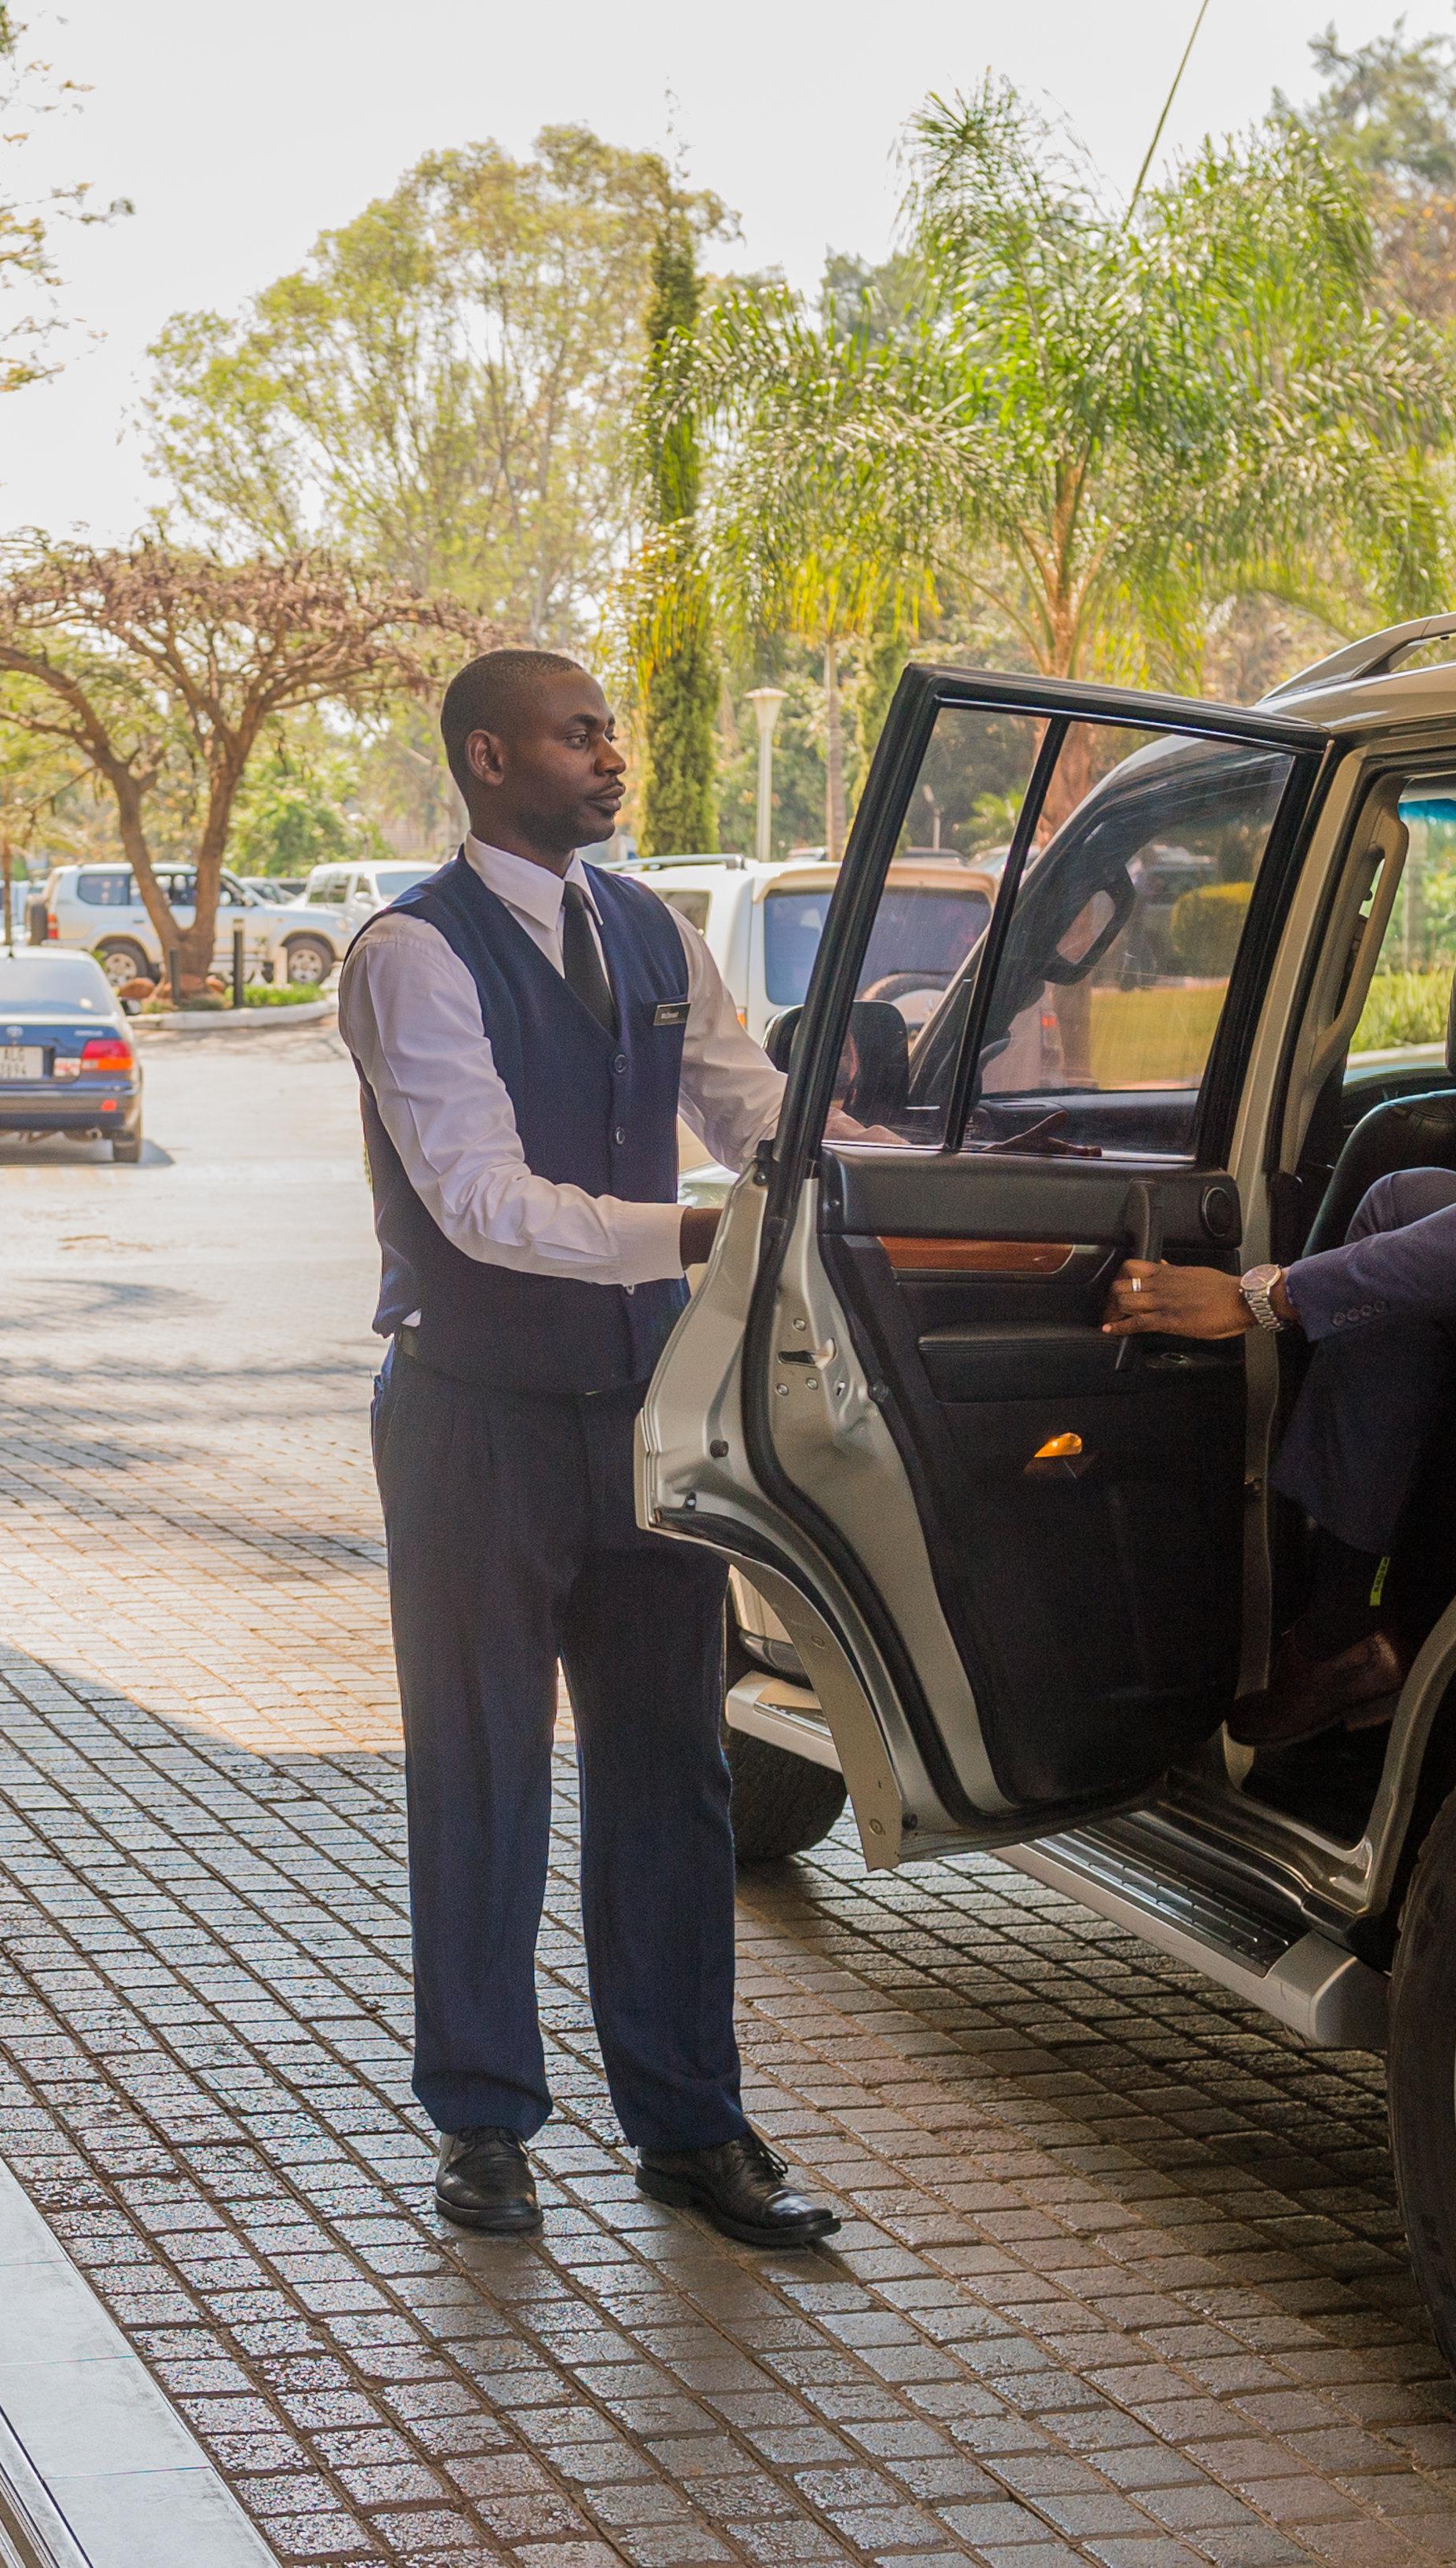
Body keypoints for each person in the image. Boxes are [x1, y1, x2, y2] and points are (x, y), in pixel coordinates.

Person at [341, 646, 845, 2250]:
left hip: (644, 1418)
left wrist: (865, 1167)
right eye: (579, 735)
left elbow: (751, 1106)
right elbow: (481, 1202)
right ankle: (484, 2122)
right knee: (479, 1768)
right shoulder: (411, 952)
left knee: (675, 1774)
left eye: (612, 730)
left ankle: (690, 2121)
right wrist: (703, 1230)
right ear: (488, 757)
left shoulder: (652, 930)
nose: (613, 757)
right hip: (472, 1418)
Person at [1102, 1124, 1456, 1746]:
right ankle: (1345, 1626)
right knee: (1411, 1206)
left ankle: (1340, 1625)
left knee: (1395, 1213)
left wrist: (1258, 1297)